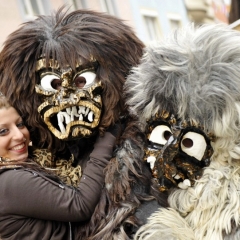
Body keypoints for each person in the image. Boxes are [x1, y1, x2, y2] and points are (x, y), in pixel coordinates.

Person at [0, 93, 117, 240]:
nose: (19, 135)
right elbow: (80, 205)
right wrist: (109, 134)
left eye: (20, 124)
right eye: (3, 131)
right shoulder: (9, 182)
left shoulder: (25, 164)